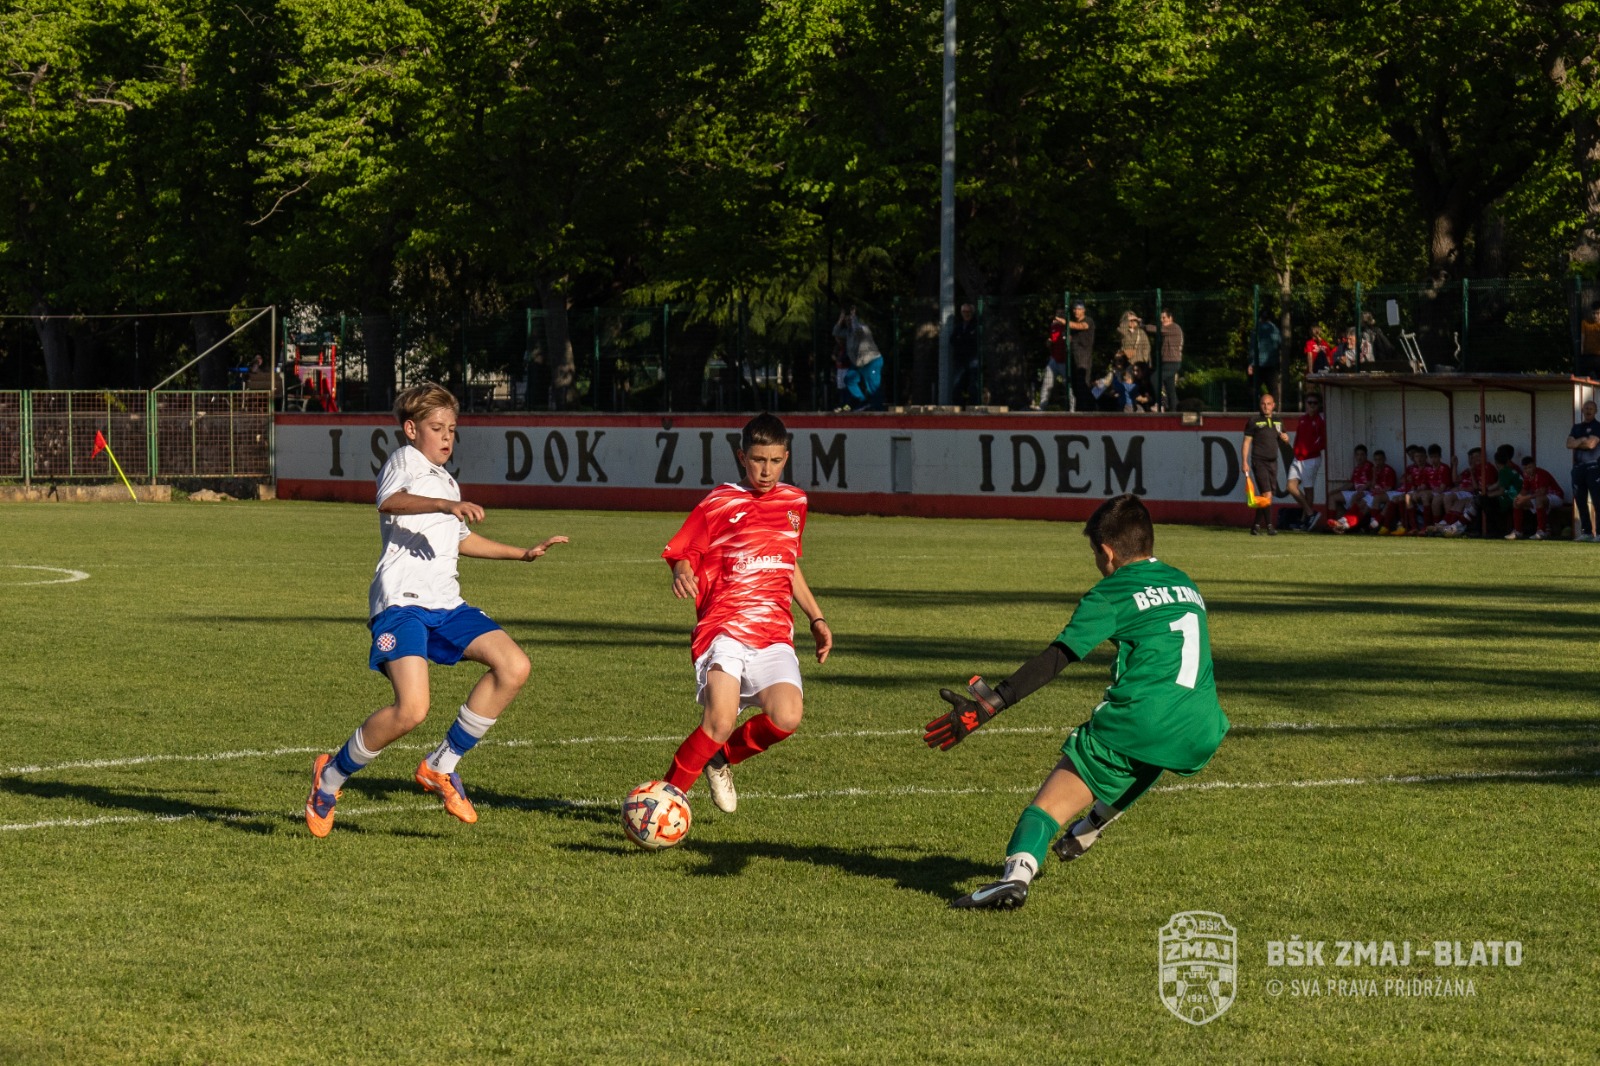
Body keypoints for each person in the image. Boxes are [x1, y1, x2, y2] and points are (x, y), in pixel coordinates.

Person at [927, 494, 1228, 910]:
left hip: (1142, 720)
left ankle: (1015, 878)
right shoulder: (1185, 582)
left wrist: (991, 703)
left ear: (1107, 552)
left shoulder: (1112, 591)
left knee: (1045, 809)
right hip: (1204, 723)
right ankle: (1093, 824)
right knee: (1156, 747)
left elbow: (1056, 659)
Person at [305, 382, 569, 837]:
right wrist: (447, 504)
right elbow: (388, 501)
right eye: (436, 427)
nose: (447, 436)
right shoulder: (405, 462)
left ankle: (440, 766)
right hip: (401, 604)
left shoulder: (447, 480)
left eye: (452, 429)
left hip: (446, 604)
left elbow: (463, 540)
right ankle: (329, 778)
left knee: (514, 666)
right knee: (411, 711)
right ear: (412, 429)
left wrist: (522, 554)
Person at [658, 413, 833, 814]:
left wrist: (817, 618)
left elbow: (787, 564)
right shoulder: (719, 502)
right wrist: (682, 571)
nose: (766, 470)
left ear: (786, 458)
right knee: (719, 722)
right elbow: (686, 550)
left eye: (775, 461)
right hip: (724, 628)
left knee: (786, 716)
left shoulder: (795, 502)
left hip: (773, 633)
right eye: (757, 460)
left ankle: (721, 759)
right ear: (742, 457)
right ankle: (662, 803)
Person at [1242, 392, 1289, 535]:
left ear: (1273, 405)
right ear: (1260, 405)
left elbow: (1282, 440)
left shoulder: (1278, 421)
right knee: (1267, 493)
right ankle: (1269, 526)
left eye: (1269, 404)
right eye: (1263, 404)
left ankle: (1255, 526)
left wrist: (1286, 439)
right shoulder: (1254, 421)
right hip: (1259, 461)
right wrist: (1244, 461)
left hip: (1273, 461)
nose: (1266, 406)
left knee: (1267, 497)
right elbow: (1246, 442)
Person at [1286, 392, 1325, 530]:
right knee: (1290, 487)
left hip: (1311, 459)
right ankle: (1310, 513)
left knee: (1308, 489)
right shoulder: (1302, 419)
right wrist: (1296, 450)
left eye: (1315, 403)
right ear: (1306, 404)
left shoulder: (1320, 421)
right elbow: (1298, 436)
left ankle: (1304, 520)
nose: (1312, 406)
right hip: (1298, 458)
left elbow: (1322, 441)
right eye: (1309, 403)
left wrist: (1309, 451)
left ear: (1319, 405)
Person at [833, 305, 884, 411]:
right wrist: (840, 319)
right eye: (847, 320)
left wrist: (854, 317)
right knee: (849, 379)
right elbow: (836, 332)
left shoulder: (863, 328)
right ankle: (863, 401)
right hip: (859, 364)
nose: (848, 322)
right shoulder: (848, 333)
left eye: (849, 319)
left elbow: (857, 330)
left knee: (873, 386)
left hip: (871, 361)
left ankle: (878, 409)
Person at [1566, 399, 1600, 540]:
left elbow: (1591, 444)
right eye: (1586, 408)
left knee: (1598, 500)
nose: (1588, 411)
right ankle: (1586, 532)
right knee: (1580, 501)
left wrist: (1577, 441)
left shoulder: (1598, 426)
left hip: (1594, 468)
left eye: (1591, 408)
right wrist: (1582, 440)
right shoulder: (1576, 427)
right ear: (1582, 410)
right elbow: (1569, 444)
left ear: (1596, 411)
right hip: (1578, 468)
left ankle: (1599, 533)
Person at [1508, 456, 1564, 540]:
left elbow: (1542, 492)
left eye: (1529, 467)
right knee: (1516, 502)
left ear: (1534, 465)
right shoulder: (1527, 476)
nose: (1528, 470)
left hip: (1556, 496)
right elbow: (1524, 490)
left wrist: (1525, 498)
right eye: (1525, 468)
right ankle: (1517, 531)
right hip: (1540, 497)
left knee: (1539, 500)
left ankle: (1542, 531)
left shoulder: (1541, 474)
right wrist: (1519, 497)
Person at [1143, 309, 1184, 410]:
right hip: (1167, 362)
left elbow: (1157, 329)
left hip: (1172, 362)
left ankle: (1161, 403)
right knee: (1170, 389)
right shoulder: (1168, 329)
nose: (1162, 320)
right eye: (1160, 318)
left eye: (1164, 318)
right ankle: (1175, 411)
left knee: (1155, 379)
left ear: (1170, 318)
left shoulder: (1174, 328)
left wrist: (1143, 326)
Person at [1328, 444, 1374, 532]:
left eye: (1362, 454)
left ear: (1366, 455)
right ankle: (1331, 525)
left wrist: (1364, 487)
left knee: (1356, 497)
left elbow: (1372, 481)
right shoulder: (1356, 468)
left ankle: (1347, 524)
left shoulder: (1370, 466)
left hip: (1366, 492)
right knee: (1332, 497)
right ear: (1355, 456)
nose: (1359, 457)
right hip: (1356, 491)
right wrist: (1336, 490)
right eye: (1358, 455)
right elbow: (1351, 484)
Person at [950, 303, 982, 405]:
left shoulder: (976, 325)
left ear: (972, 313)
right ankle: (958, 406)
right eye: (964, 311)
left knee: (973, 384)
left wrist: (962, 340)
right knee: (957, 383)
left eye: (968, 312)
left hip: (973, 359)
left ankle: (973, 405)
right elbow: (952, 340)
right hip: (960, 359)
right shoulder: (959, 326)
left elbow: (974, 341)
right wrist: (964, 340)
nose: (966, 314)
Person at [1067, 301, 1096, 412]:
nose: (1076, 311)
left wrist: (1064, 322)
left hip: (1084, 359)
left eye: (1079, 309)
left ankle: (1089, 410)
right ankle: (1080, 411)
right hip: (1074, 358)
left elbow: (1081, 326)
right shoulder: (1072, 325)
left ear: (1083, 310)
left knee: (1083, 384)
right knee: (1075, 387)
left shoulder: (1088, 321)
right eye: (1074, 309)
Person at [1039, 309, 1069, 410]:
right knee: (1047, 383)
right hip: (1054, 359)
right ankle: (1042, 407)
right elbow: (1052, 341)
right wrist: (1049, 343)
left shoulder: (1067, 327)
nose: (1056, 320)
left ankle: (1072, 409)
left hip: (1064, 361)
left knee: (1068, 384)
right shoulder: (1054, 327)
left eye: (1059, 317)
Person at [1248, 312, 1281, 396]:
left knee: (1253, 389)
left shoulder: (1256, 329)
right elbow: (1279, 345)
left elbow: (1253, 347)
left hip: (1258, 364)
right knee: (1273, 390)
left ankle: (1255, 404)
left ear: (1260, 318)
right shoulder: (1275, 329)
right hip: (1272, 364)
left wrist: (1251, 363)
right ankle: (1273, 404)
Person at [1578, 306, 1600, 379]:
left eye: (1598, 313)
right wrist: (1582, 352)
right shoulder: (1585, 323)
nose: (1595, 316)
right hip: (1588, 357)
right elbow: (1583, 337)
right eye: (1594, 313)